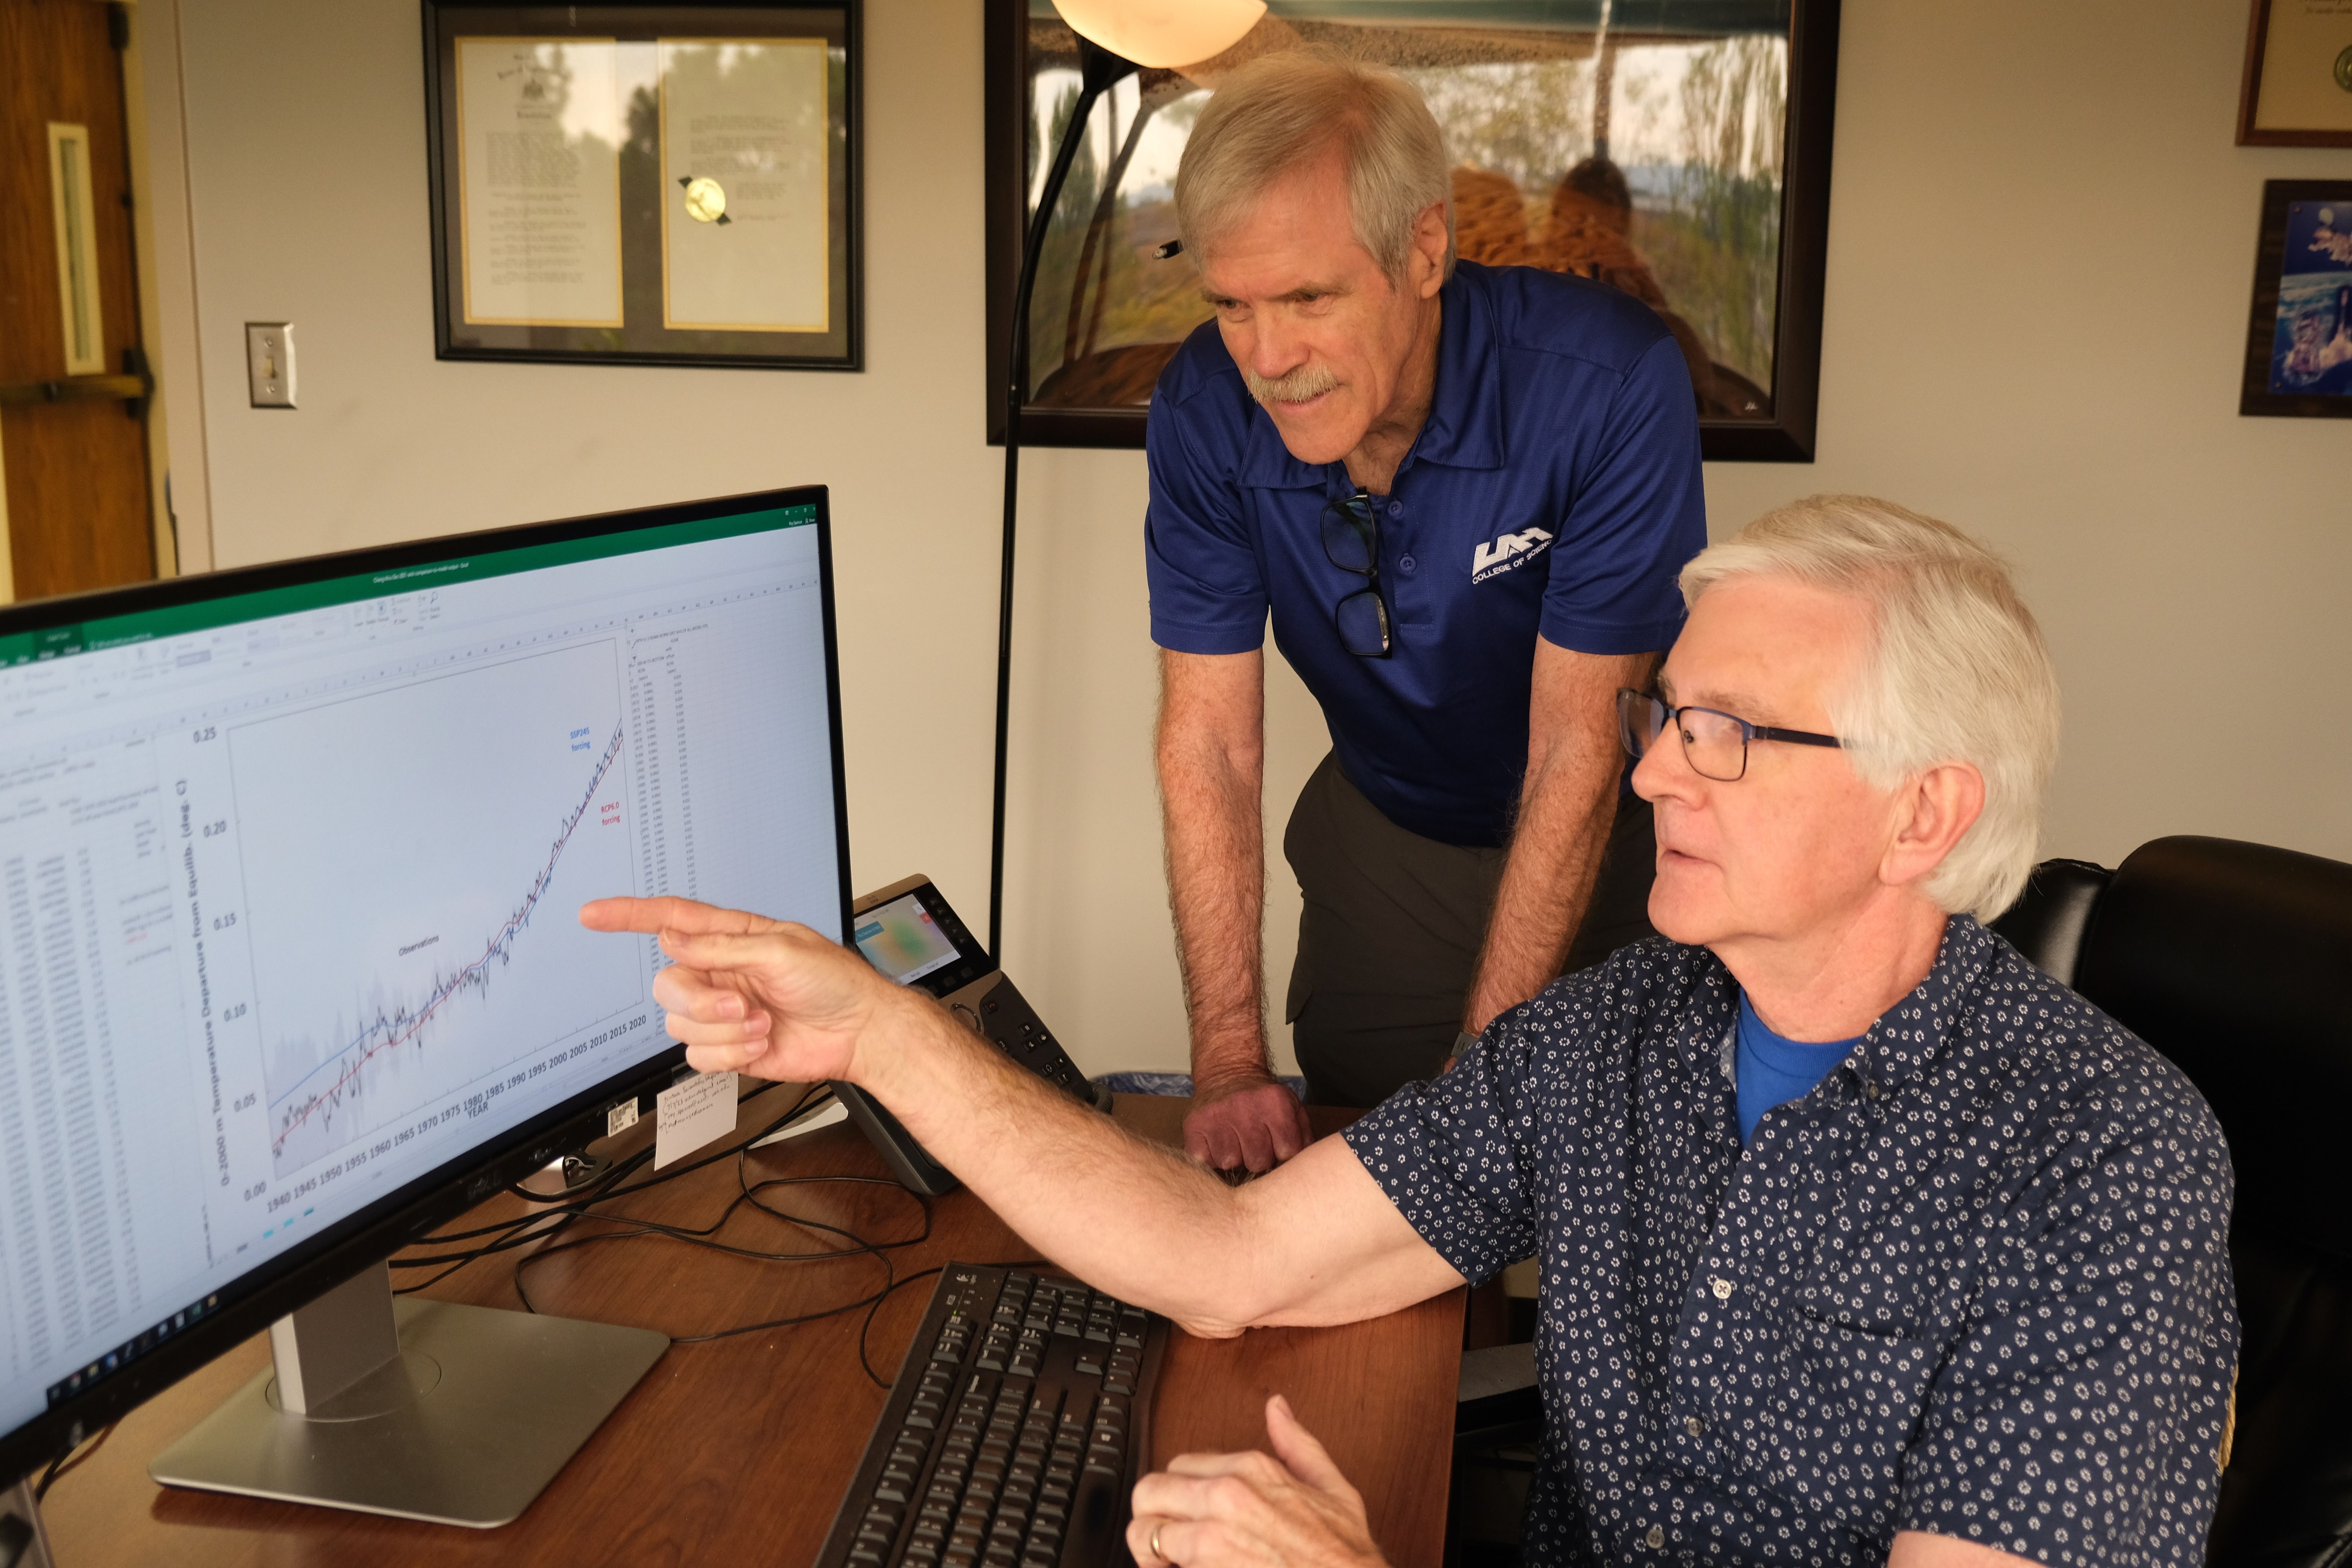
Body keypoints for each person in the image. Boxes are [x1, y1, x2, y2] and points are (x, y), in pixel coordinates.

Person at [582, 496, 2237, 1568]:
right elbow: (1232, 1261)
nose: (1652, 770)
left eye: (1727, 734)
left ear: (1923, 812)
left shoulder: (2108, 1164)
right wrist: (877, 1034)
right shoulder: (1620, 1034)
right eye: (1667, 715)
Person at [1144, 47, 1707, 1170]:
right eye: (1233, 306)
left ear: (1425, 250)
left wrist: (1477, 1101)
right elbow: (1207, 740)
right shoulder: (1205, 405)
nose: (1269, 358)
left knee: (1600, 1176)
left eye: (1310, 298)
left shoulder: (1606, 385)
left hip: (1620, 835)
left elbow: (1577, 751)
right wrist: (1230, 1064)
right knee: (1361, 1170)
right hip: (1389, 834)